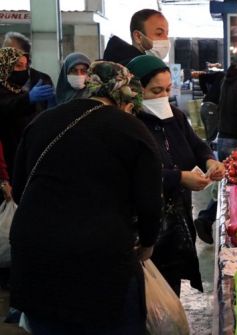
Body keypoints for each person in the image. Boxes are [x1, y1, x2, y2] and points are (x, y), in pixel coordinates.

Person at [9, 61, 163, 334]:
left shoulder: (42, 121)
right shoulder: (131, 129)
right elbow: (150, 200)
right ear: (125, 95)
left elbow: (20, 188)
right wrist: (148, 243)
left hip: (35, 255)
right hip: (99, 260)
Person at [127, 55, 225, 295]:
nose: (163, 96)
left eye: (167, 89)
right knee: (147, 293)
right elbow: (134, 174)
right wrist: (178, 177)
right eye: (155, 90)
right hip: (144, 228)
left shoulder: (175, 117)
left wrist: (211, 161)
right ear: (134, 91)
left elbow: (196, 145)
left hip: (176, 222)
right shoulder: (128, 125)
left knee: (170, 287)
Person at [0, 47, 54, 180]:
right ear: (5, 66)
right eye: (18, 66)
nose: (23, 71)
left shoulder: (21, 89)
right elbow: (6, 107)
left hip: (29, 151)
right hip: (7, 157)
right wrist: (28, 99)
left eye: (25, 66)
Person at [103, 9, 170, 65]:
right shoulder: (139, 70)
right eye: (159, 33)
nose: (166, 39)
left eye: (167, 34)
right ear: (138, 37)